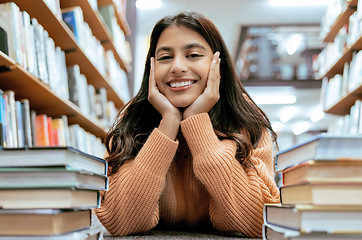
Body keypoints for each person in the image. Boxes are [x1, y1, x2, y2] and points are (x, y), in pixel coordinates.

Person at [95, 11, 280, 238]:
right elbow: (121, 222)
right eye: (165, 57)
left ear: (217, 65)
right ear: (151, 69)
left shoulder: (246, 121)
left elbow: (257, 222)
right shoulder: (131, 120)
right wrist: (168, 124)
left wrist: (196, 122)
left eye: (193, 55)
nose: (178, 67)